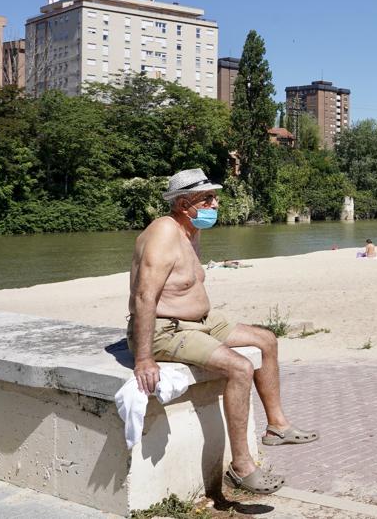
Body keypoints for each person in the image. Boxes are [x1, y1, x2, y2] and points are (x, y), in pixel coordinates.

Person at [128, 169, 317, 496]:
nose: (216, 204)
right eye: (208, 199)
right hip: (165, 329)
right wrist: (144, 358)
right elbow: (145, 296)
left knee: (266, 340)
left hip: (200, 321)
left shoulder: (190, 232)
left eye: (214, 197)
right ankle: (242, 467)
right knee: (240, 367)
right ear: (184, 203)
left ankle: (277, 426)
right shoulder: (162, 234)